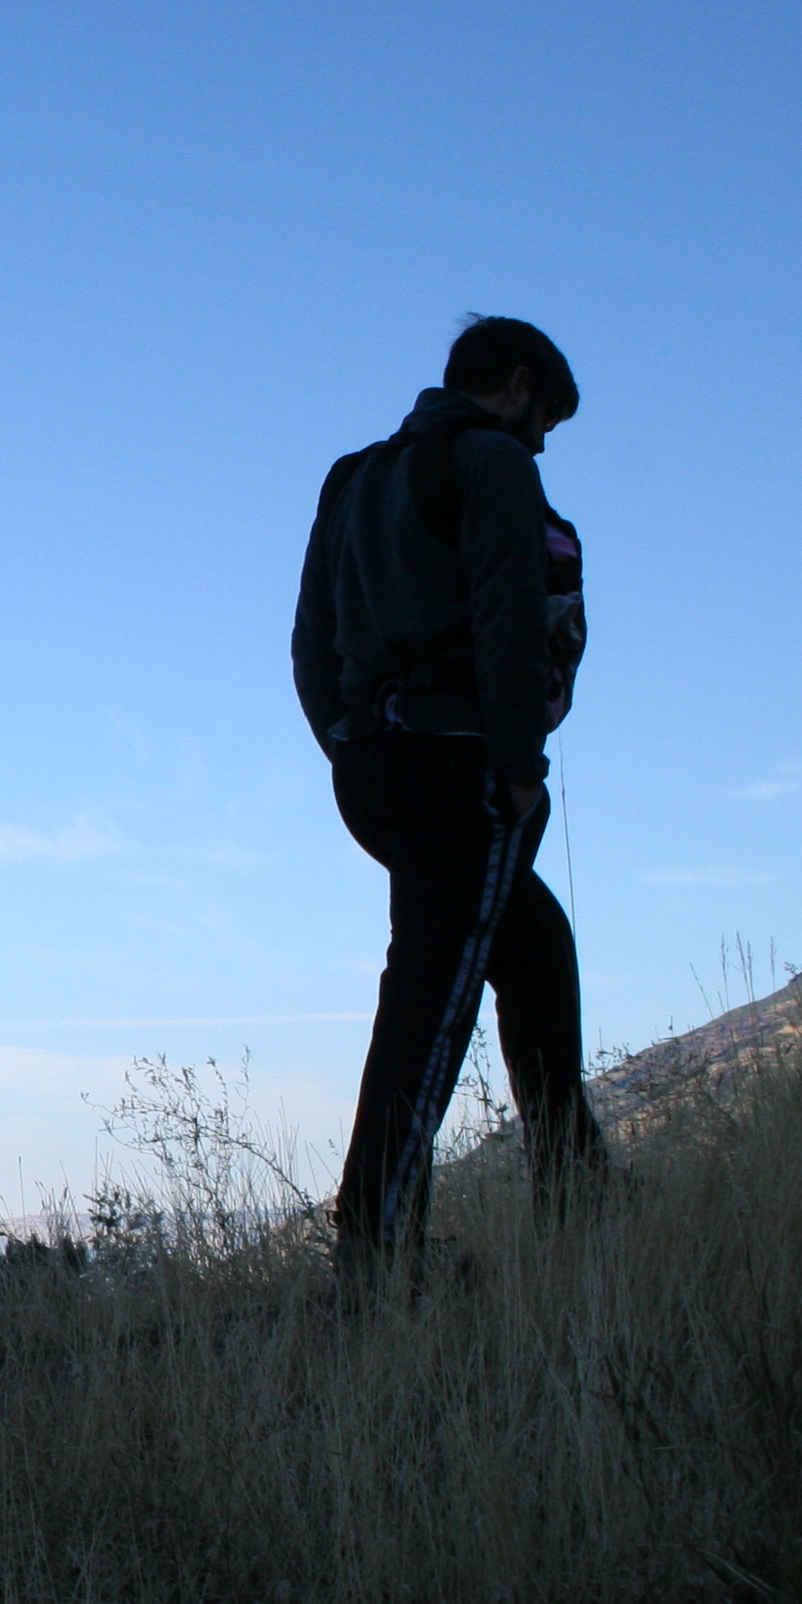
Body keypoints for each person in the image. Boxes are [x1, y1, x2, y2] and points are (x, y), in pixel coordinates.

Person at [291, 315, 606, 1286]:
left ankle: (582, 1199)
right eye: (544, 416)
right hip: (460, 764)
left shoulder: (354, 478)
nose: (543, 439)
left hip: (377, 768)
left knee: (536, 952)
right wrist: (519, 764)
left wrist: (347, 747)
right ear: (515, 384)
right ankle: (374, 1255)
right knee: (431, 1005)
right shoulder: (492, 464)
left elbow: (311, 642)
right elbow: (510, 610)